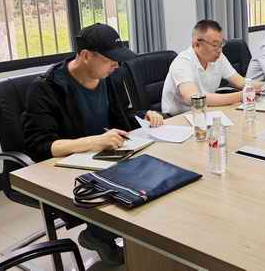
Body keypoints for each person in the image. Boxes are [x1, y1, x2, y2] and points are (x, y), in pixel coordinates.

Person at [22, 23, 164, 266]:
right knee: (131, 187)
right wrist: (93, 142)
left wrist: (145, 116)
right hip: (67, 167)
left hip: (106, 157)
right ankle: (100, 234)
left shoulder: (110, 78)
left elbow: (122, 116)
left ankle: (130, 242)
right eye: (110, 60)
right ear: (86, 55)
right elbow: (40, 146)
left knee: (155, 175)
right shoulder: (46, 88)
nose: (116, 65)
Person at [161, 20, 265, 115]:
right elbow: (193, 98)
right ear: (196, 44)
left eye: (221, 44)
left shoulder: (218, 57)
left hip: (206, 112)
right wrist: (240, 96)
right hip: (178, 118)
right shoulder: (182, 62)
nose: (219, 50)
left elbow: (240, 82)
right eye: (215, 45)